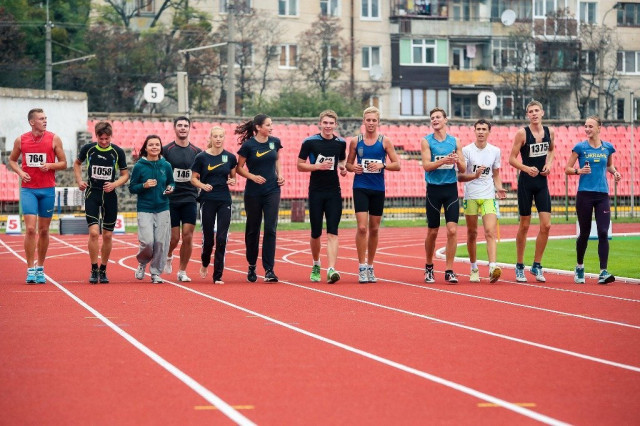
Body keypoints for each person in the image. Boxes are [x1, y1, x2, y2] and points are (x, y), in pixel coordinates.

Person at [8, 108, 67, 284]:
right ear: (32, 122)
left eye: (45, 118)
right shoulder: (21, 140)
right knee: (30, 229)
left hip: (47, 190)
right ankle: (30, 269)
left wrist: (50, 165)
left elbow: (64, 163)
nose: (45, 121)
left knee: (44, 230)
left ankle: (40, 267)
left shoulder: (54, 138)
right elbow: (12, 160)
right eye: (41, 119)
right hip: (29, 190)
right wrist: (20, 172)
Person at [345, 106, 400, 283]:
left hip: (378, 189)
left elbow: (397, 164)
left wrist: (382, 165)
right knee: (362, 227)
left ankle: (370, 265)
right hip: (360, 187)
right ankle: (361, 266)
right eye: (368, 120)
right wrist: (353, 168)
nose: (370, 123)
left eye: (374, 120)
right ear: (363, 121)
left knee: (374, 229)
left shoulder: (385, 141)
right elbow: (348, 164)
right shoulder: (356, 141)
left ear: (378, 122)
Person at [565, 116, 622, 285]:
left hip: (602, 194)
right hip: (585, 195)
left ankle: (603, 272)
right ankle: (579, 266)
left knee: (603, 232)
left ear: (599, 128)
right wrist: (579, 171)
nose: (587, 129)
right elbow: (567, 169)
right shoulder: (580, 147)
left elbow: (609, 166)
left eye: (591, 126)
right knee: (585, 233)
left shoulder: (608, 147)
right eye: (586, 126)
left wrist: (615, 172)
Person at [73, 121, 129, 284]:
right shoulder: (88, 149)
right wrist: (79, 180)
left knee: (108, 235)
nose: (104, 142)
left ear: (111, 136)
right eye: (101, 138)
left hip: (109, 195)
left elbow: (125, 175)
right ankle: (94, 268)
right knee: (93, 233)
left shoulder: (117, 152)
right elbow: (77, 163)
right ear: (96, 136)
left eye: (107, 138)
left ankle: (103, 269)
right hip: (92, 193)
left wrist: (114, 184)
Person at [297, 110, 347, 284]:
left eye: (331, 123)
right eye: (325, 123)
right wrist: (316, 167)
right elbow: (300, 165)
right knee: (316, 233)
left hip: (334, 192)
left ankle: (331, 269)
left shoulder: (341, 143)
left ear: (336, 125)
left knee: (333, 232)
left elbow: (341, 160)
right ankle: (316, 264)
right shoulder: (310, 142)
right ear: (320, 123)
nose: (328, 126)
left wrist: (343, 168)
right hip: (316, 192)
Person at [509, 100, 555, 283]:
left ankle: (537, 264)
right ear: (527, 115)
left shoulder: (550, 132)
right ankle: (520, 265)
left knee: (546, 225)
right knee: (525, 225)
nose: (534, 114)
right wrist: (526, 168)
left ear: (542, 112)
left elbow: (551, 150)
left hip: (542, 182)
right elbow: (512, 159)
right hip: (526, 182)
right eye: (531, 111)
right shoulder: (522, 133)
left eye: (537, 110)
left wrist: (549, 164)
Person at [235, 114, 284, 283]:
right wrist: (252, 177)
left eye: (271, 124)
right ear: (258, 127)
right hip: (253, 192)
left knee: (270, 228)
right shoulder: (248, 146)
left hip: (272, 190)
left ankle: (269, 269)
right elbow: (239, 168)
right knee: (253, 230)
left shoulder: (275, 142)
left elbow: (277, 160)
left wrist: (280, 175)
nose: (271, 127)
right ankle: (251, 265)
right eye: (268, 125)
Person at [458, 119, 507, 283]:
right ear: (474, 131)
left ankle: (492, 267)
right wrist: (475, 175)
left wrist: (499, 188)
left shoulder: (495, 151)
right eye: (478, 129)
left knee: (490, 232)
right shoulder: (466, 151)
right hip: (471, 196)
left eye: (484, 129)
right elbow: (460, 176)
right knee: (472, 233)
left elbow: (496, 174)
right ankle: (474, 268)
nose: (480, 132)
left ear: (489, 132)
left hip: (488, 196)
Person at [421, 107, 466, 284]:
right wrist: (444, 161)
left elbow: (463, 169)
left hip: (450, 190)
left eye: (438, 117)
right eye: (432, 118)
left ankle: (449, 270)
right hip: (434, 190)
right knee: (432, 231)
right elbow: (426, 166)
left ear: (445, 120)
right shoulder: (427, 141)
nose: (435, 120)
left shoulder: (455, 141)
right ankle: (429, 267)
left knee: (452, 230)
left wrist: (457, 161)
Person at [190, 126, 237, 284]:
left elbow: (233, 177)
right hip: (207, 200)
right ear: (210, 138)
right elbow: (193, 179)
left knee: (222, 238)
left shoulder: (230, 157)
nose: (218, 139)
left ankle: (217, 275)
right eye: (215, 136)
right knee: (209, 239)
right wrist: (203, 186)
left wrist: (232, 181)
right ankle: (205, 262)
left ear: (224, 138)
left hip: (224, 200)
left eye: (220, 136)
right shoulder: (201, 157)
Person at [129, 135, 175, 284]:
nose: (154, 147)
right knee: (147, 242)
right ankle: (142, 263)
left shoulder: (166, 165)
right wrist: (144, 185)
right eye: (151, 145)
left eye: (157, 145)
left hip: (163, 207)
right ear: (146, 147)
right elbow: (132, 188)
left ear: (160, 147)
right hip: (145, 208)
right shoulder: (139, 166)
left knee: (161, 242)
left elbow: (171, 182)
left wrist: (171, 188)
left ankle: (155, 273)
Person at [163, 117, 202, 282]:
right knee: (174, 237)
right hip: (171, 199)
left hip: (189, 197)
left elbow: (202, 172)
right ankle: (168, 254)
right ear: (175, 128)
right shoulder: (166, 150)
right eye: (179, 125)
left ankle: (182, 271)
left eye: (186, 125)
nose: (183, 128)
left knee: (188, 236)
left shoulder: (197, 152)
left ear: (189, 128)